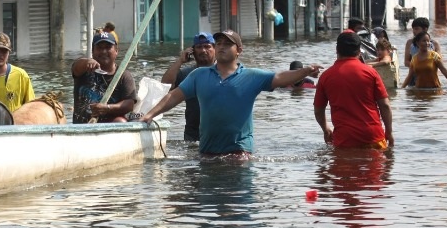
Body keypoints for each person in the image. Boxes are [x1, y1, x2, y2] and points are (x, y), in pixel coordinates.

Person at [138, 30, 322, 160]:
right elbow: (173, 96)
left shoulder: (252, 76)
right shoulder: (198, 75)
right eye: (219, 43)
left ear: (239, 50)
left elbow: (281, 77)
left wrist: (305, 71)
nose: (221, 47)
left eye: (227, 44)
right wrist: (149, 115)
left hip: (239, 154)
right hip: (207, 152)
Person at [314, 31, 393, 149]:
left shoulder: (326, 76)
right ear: (359, 51)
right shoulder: (370, 72)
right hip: (372, 136)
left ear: (337, 50)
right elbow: (385, 105)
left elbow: (318, 110)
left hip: (344, 139)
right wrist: (389, 132)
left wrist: (326, 129)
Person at [160, 32, 216, 141]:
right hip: (193, 133)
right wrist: (180, 61)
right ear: (192, 52)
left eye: (207, 46)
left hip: (218, 132)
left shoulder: (223, 72)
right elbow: (165, 86)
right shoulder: (187, 74)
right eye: (199, 47)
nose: (203, 50)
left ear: (215, 49)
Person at [71, 31, 136, 123]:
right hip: (82, 127)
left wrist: (107, 108)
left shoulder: (124, 76)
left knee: (120, 121)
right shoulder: (84, 69)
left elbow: (129, 104)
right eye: (99, 48)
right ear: (93, 51)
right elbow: (76, 67)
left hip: (109, 127)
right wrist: (87, 62)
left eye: (108, 47)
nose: (104, 51)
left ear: (116, 51)